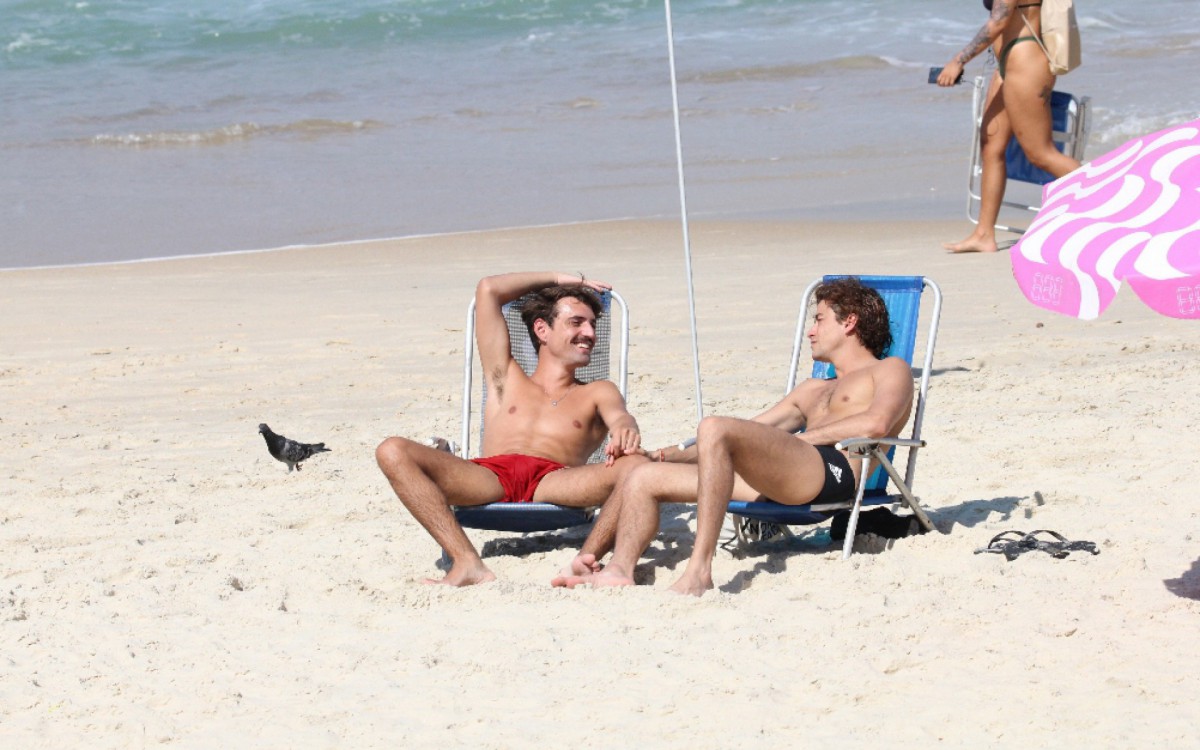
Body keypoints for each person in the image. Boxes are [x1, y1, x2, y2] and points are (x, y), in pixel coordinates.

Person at [552, 277, 914, 596]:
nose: (811, 331)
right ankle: (619, 569)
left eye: (819, 319)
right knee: (643, 476)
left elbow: (877, 424)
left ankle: (699, 570)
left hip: (835, 472)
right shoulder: (812, 389)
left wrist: (805, 439)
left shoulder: (889, 370)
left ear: (849, 322)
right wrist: (659, 456)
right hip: (791, 473)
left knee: (714, 425)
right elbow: (742, 436)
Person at [376, 271, 644, 586]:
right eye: (577, 322)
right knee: (391, 450)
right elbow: (488, 290)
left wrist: (624, 427)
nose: (589, 333)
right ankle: (467, 562)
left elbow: (620, 416)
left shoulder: (598, 391)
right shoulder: (505, 376)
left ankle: (583, 562)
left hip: (556, 480)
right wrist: (561, 280)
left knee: (636, 465)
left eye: (592, 325)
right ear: (542, 329)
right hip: (489, 477)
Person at [939, 0, 1080, 254]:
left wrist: (958, 60)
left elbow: (998, 22)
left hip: (1026, 62)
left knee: (1041, 154)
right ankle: (983, 234)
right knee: (991, 146)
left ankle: (1114, 200)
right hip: (1008, 63)